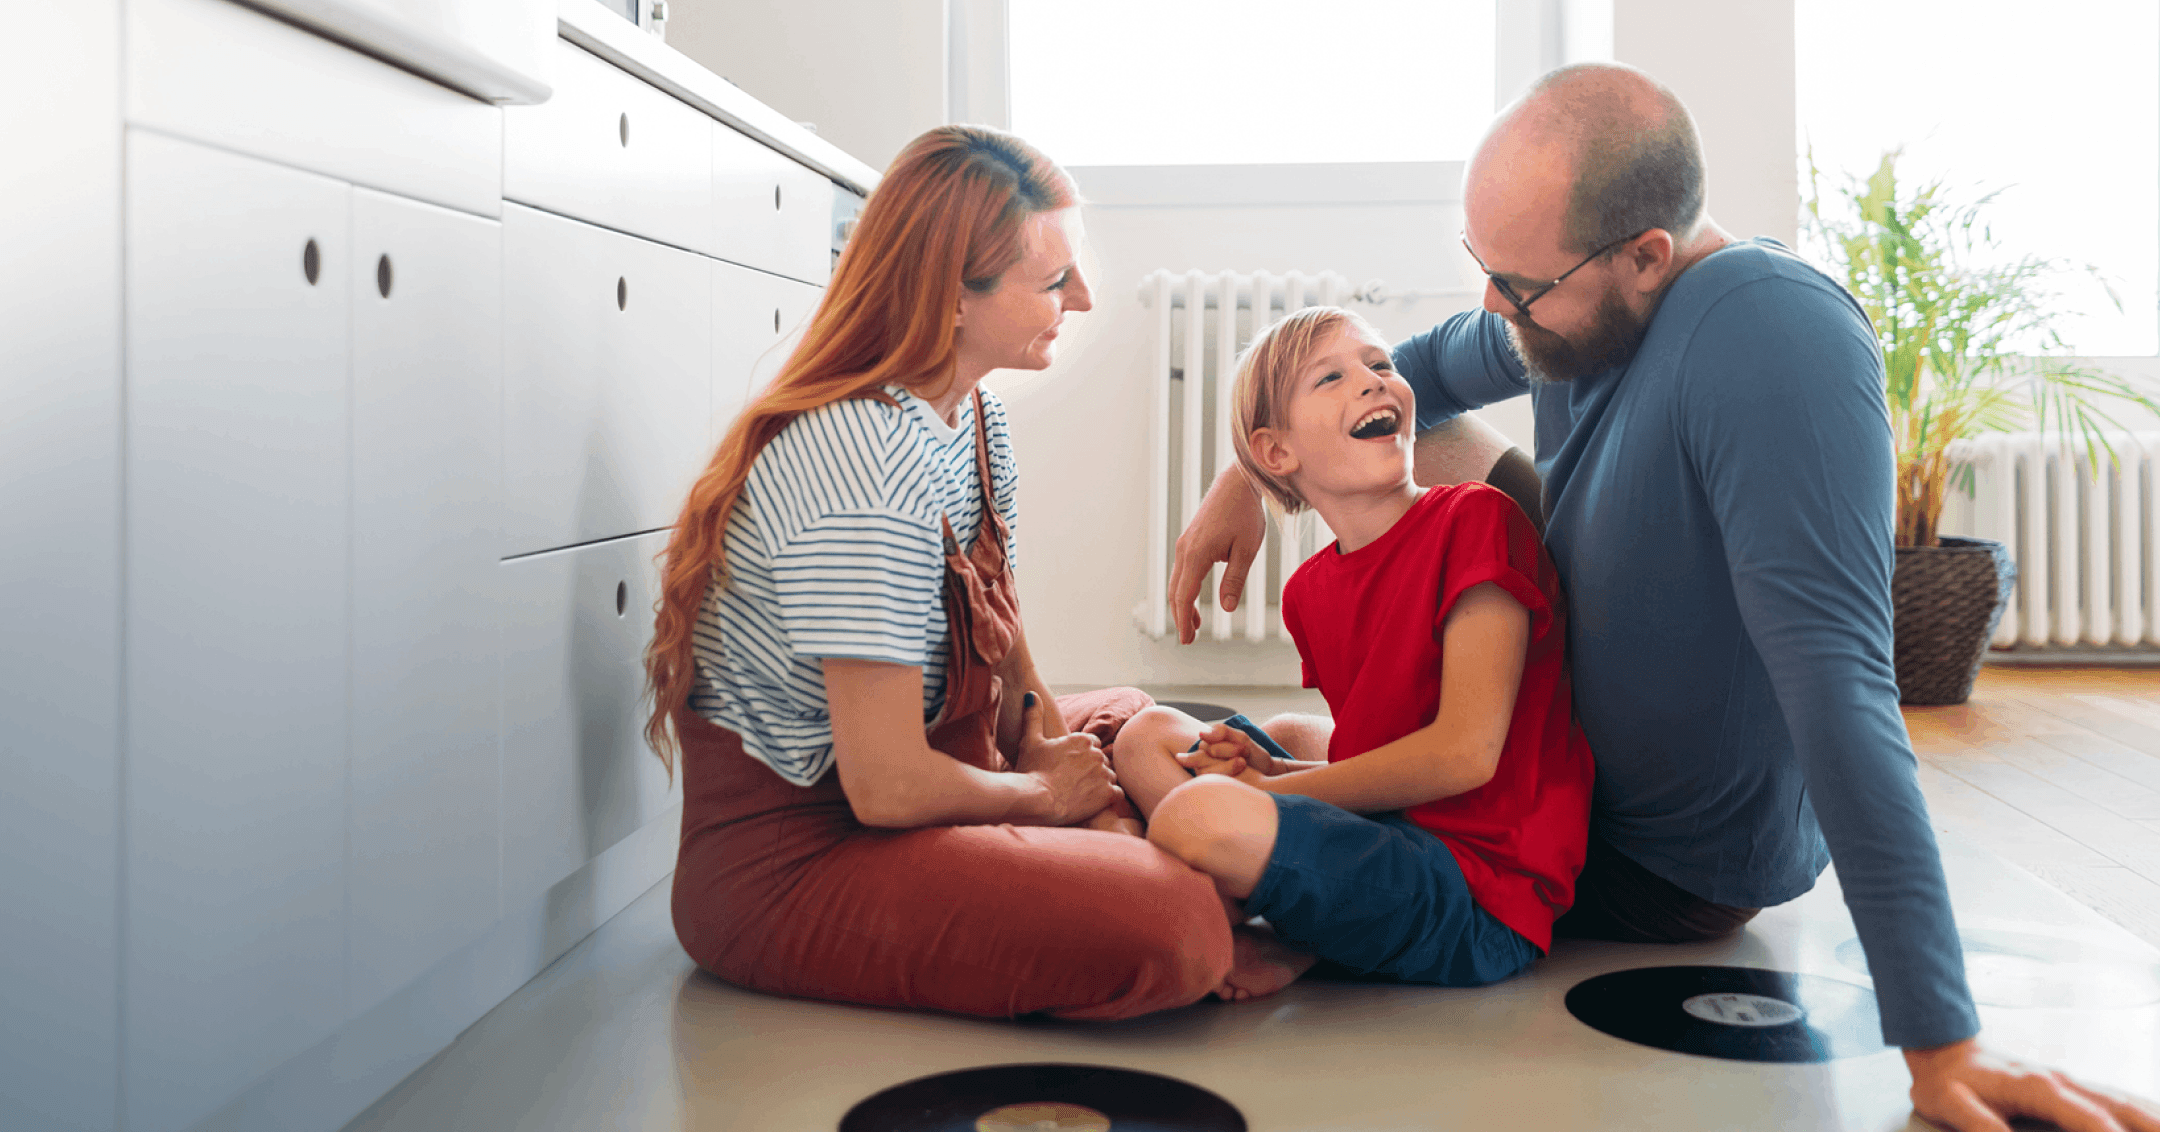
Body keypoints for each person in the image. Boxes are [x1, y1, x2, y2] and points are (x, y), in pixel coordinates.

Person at [1169, 63, 2160, 1132]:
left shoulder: (1778, 344)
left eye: (1522, 285)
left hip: (1648, 858)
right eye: (1484, 269)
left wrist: (1939, 1037)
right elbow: (1419, 367)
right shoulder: (1581, 305)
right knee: (1414, 436)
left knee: (1218, 786)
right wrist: (1248, 478)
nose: (1495, 306)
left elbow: (1843, 693)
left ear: (1647, 254)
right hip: (1564, 726)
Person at [647, 125, 1236, 1021]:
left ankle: (1165, 865)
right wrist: (1044, 797)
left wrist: (1040, 740)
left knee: (1148, 722)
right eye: (1052, 282)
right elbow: (884, 786)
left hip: (937, 764)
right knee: (1173, 918)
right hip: (804, 853)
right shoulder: (862, 460)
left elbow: (997, 619)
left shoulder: (974, 418)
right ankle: (1212, 907)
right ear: (952, 297)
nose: (1080, 299)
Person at [1109, 306, 1593, 1003]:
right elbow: (1381, 762)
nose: (1373, 383)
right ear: (1276, 453)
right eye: (1332, 377)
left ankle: (1270, 925)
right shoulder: (1310, 592)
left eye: (1381, 366)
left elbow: (1464, 756)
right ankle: (1290, 922)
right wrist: (1276, 768)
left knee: (1197, 813)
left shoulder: (1477, 519)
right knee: (1145, 735)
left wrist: (1269, 790)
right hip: (1398, 837)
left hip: (1482, 892)